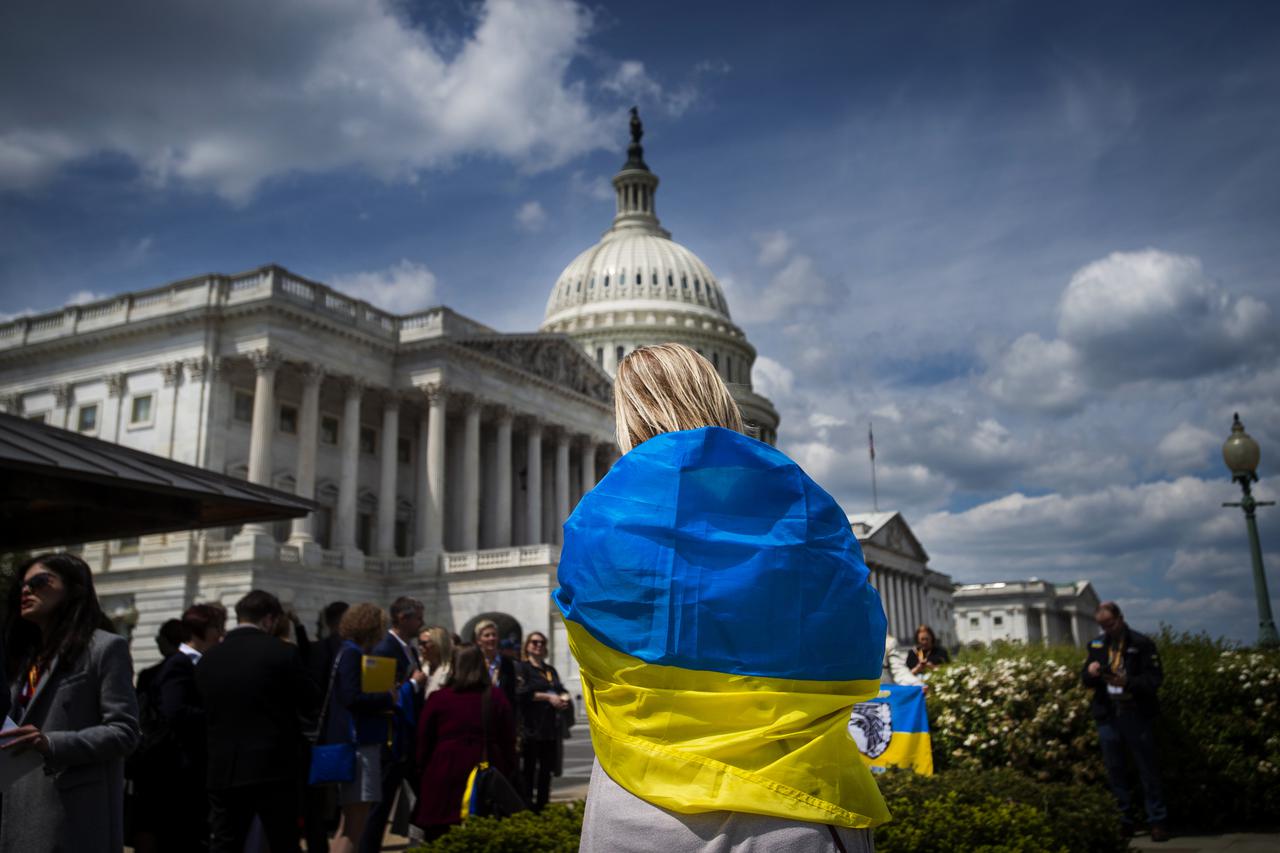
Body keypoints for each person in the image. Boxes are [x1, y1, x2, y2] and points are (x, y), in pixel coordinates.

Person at [555, 344, 888, 852]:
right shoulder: (806, 507)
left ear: (628, 418)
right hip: (794, 804)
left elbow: (591, 650)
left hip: (636, 804)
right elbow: (861, 651)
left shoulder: (600, 521)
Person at [0, 552, 141, 853]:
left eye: (39, 582)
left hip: (70, 814)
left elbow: (124, 731)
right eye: (22, 586)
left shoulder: (104, 648)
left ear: (74, 589)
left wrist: (51, 743)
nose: (26, 591)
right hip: (15, 807)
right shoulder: (25, 657)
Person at [195, 590, 320, 853]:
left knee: (226, 842)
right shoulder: (282, 653)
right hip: (274, 768)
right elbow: (310, 702)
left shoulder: (208, 659)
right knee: (283, 841)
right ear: (269, 620)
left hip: (223, 766)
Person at [411, 643, 518, 842]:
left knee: (442, 835)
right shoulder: (495, 696)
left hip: (443, 771)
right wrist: (507, 768)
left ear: (454, 665)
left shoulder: (438, 698)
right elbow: (508, 739)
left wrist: (423, 771)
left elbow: (423, 742)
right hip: (484, 769)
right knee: (484, 834)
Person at [1082, 601, 1169, 843]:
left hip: (1135, 712)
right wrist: (1090, 673)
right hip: (1109, 715)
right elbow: (1085, 679)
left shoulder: (1141, 644)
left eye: (1110, 624)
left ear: (1120, 619)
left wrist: (1127, 683)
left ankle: (1157, 821)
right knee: (1115, 771)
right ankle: (1124, 821)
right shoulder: (1097, 645)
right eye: (1102, 625)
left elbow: (1154, 680)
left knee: (1147, 769)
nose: (1107, 629)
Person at [322, 602, 399, 853]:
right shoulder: (352, 653)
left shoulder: (345, 651)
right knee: (355, 825)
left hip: (352, 742)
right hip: (358, 745)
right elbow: (352, 698)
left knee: (348, 823)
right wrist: (387, 698)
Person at [154, 602, 227, 852]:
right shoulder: (180, 663)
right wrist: (217, 716)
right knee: (184, 833)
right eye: (217, 627)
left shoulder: (202, 662)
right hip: (182, 763)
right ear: (202, 629)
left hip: (196, 761)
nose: (221, 634)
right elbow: (175, 711)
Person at [360, 597, 426, 853]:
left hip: (407, 739)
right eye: (418, 618)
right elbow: (377, 694)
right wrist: (413, 685)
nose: (422, 623)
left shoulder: (407, 648)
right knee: (380, 806)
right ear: (402, 618)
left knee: (425, 797)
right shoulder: (384, 648)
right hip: (391, 741)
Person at [129, 618, 191, 853]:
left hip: (152, 756)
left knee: (148, 821)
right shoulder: (183, 668)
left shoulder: (150, 674)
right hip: (171, 757)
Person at [516, 631, 569, 811]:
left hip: (549, 729)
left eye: (542, 643)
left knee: (546, 771)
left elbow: (560, 688)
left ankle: (543, 807)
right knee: (529, 770)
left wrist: (564, 697)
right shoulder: (522, 668)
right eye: (534, 642)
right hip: (531, 728)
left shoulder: (549, 670)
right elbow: (521, 693)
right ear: (527, 645)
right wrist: (547, 697)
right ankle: (527, 807)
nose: (538, 645)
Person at [474, 618, 517, 710]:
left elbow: (511, 693)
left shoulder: (507, 663)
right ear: (478, 640)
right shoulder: (473, 662)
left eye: (494, 635)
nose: (491, 638)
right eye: (487, 635)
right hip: (477, 712)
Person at [419, 625, 453, 701]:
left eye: (424, 643)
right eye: (419, 643)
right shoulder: (421, 669)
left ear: (438, 644)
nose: (420, 647)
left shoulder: (451, 670)